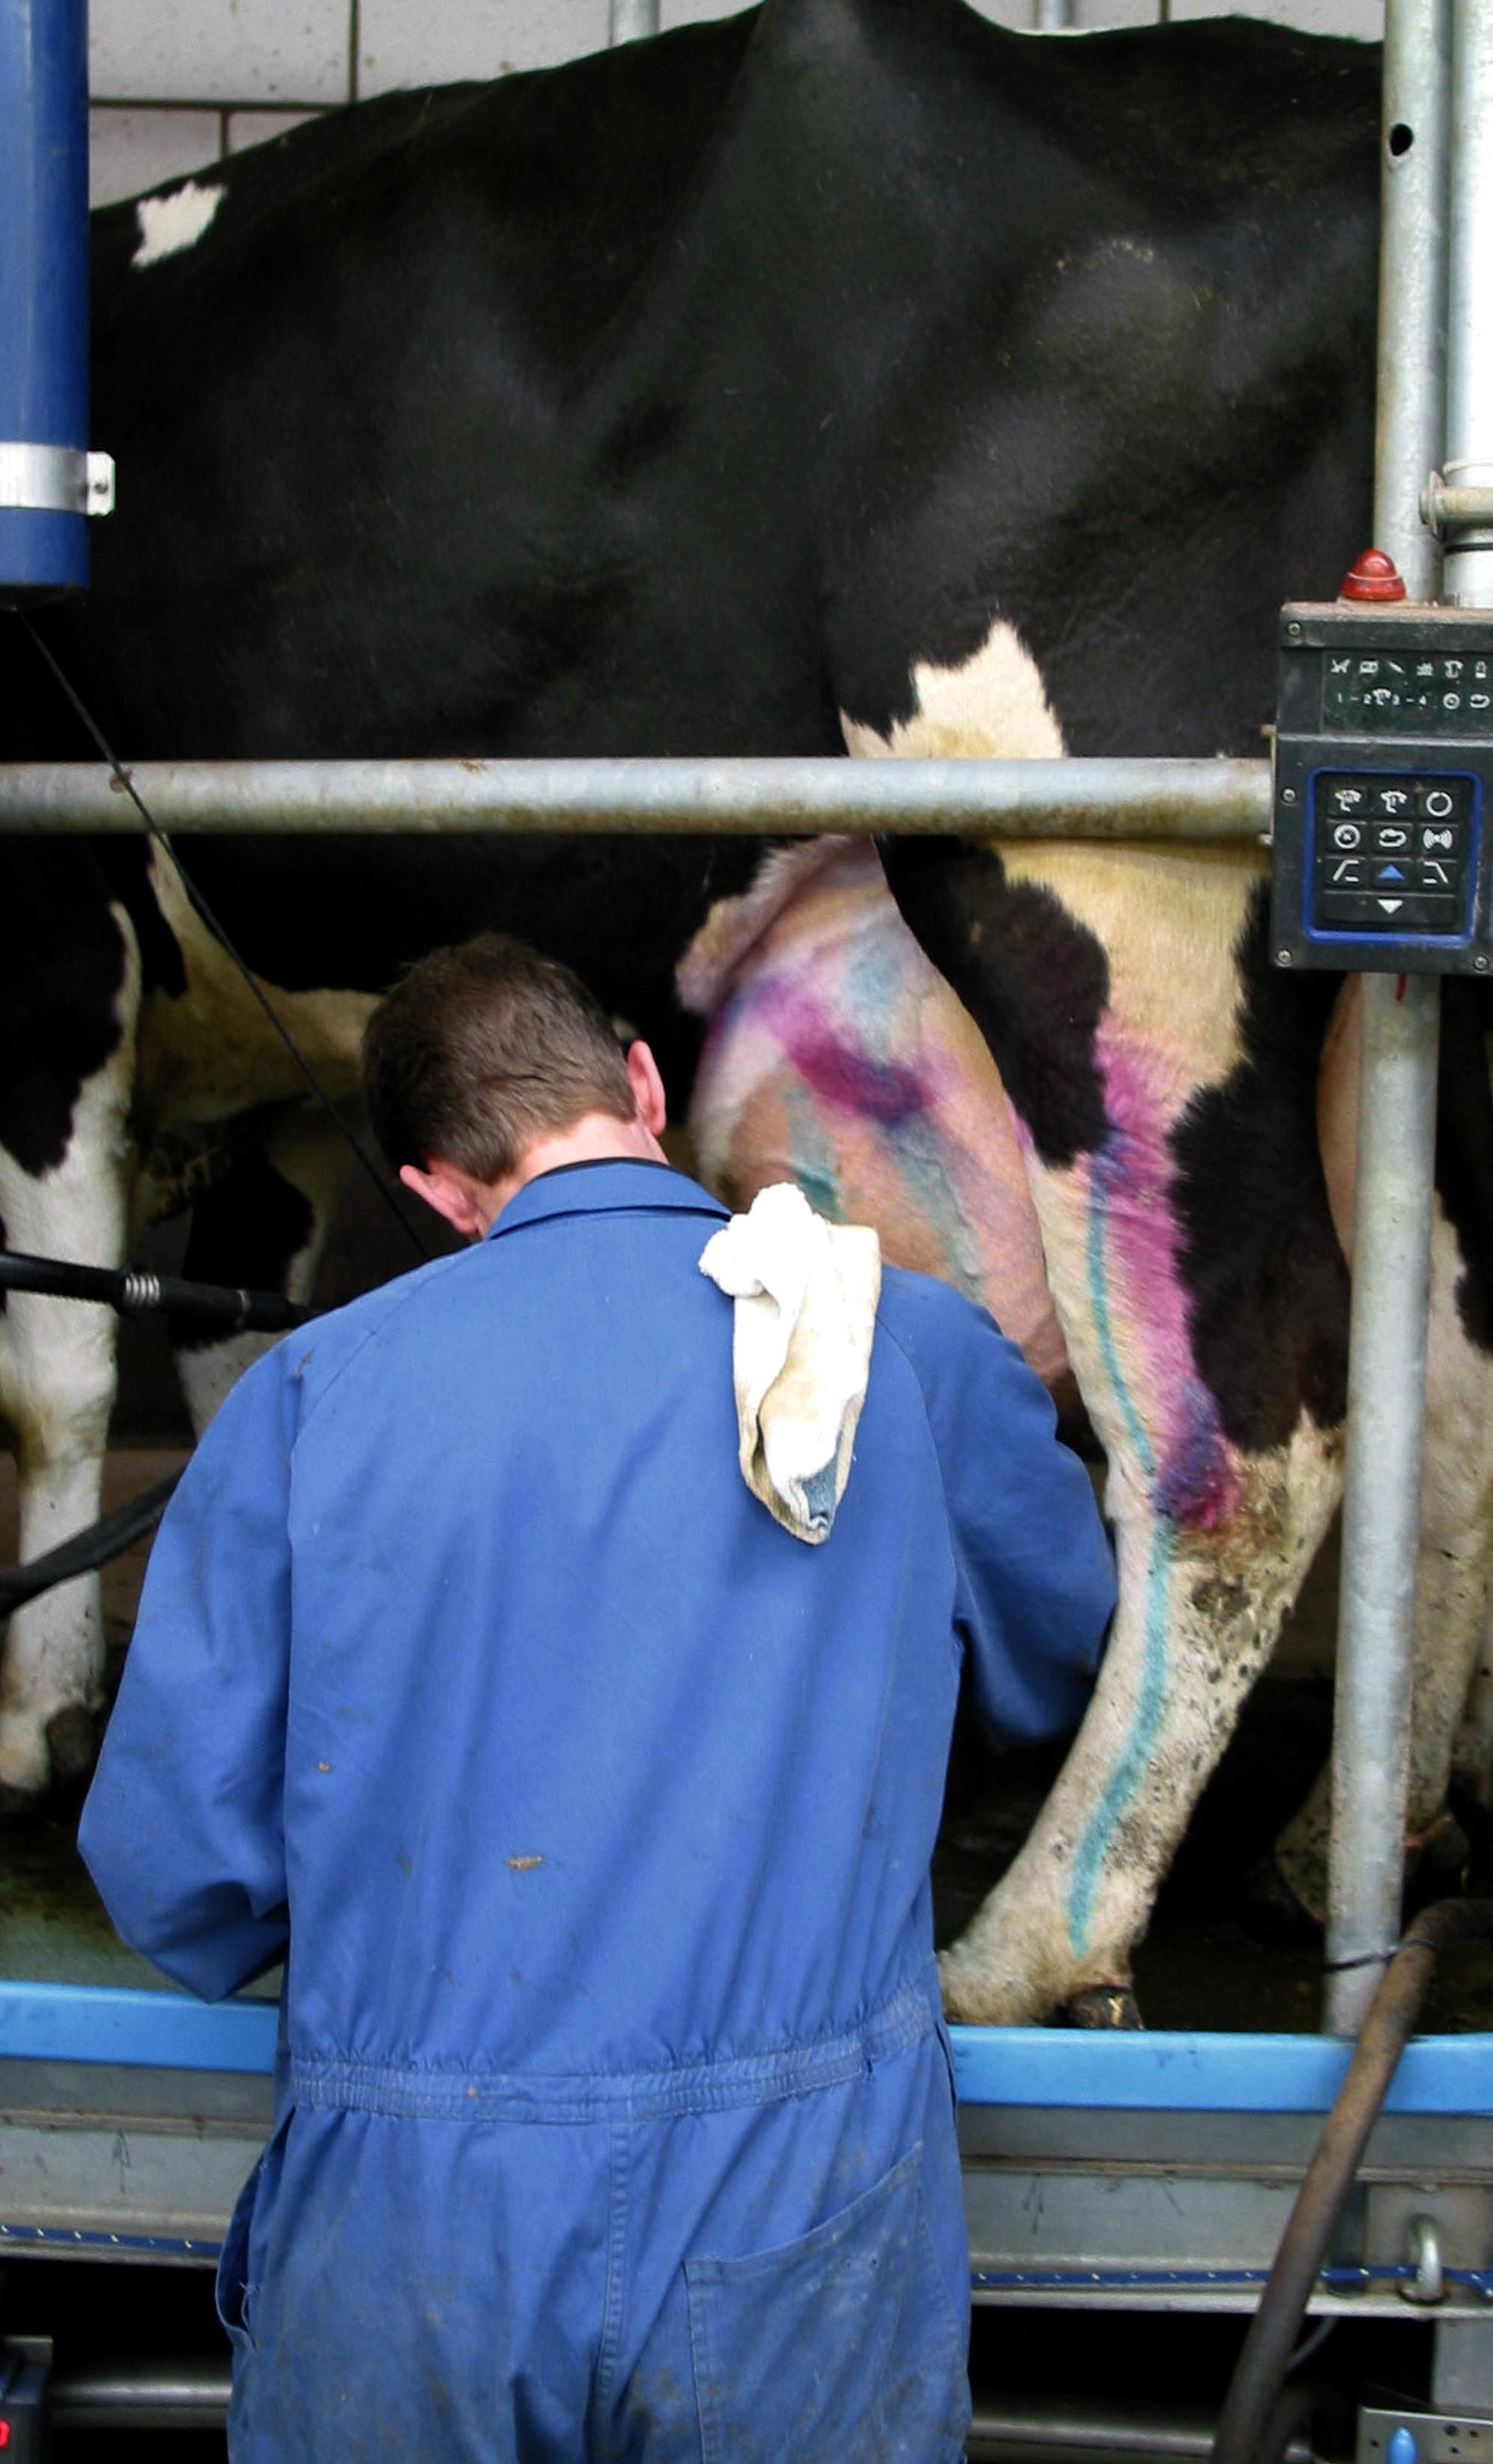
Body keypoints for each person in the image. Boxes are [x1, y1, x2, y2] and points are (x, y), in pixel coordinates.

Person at [79, 932, 1117, 2464]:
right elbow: (1056, 1656)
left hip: (414, 2226)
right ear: (642, 1079)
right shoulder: (902, 1349)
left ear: (433, 1186)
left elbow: (182, 1875)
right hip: (798, 2210)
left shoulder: (311, 1394)